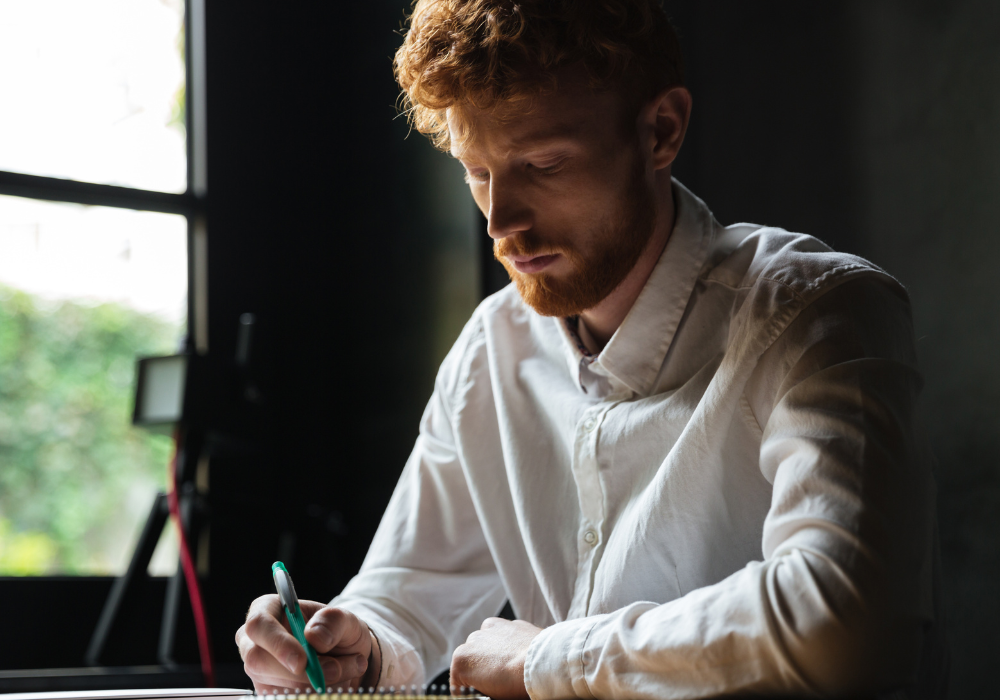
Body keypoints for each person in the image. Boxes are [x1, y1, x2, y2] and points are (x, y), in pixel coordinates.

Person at [236, 1, 948, 698]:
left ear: (661, 131)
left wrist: (550, 660)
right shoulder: (492, 348)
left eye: (542, 164)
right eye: (478, 174)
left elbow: (848, 623)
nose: (502, 225)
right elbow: (412, 594)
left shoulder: (819, 314)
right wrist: (353, 647)